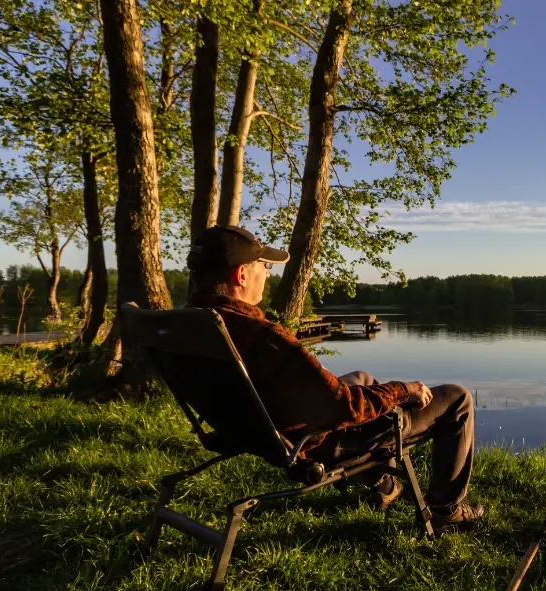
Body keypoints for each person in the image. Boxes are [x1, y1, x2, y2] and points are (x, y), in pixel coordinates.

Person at [185, 225, 484, 530]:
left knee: (363, 378)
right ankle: (446, 511)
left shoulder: (191, 326)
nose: (268, 273)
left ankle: (384, 486)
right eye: (264, 266)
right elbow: (347, 407)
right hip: (315, 441)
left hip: (254, 430)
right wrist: (402, 390)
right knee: (458, 398)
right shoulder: (261, 337)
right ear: (241, 275)